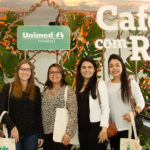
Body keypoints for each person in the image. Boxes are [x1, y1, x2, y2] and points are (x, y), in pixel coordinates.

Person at [0, 59, 44, 150]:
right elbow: (1, 110)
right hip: (13, 133)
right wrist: (12, 127)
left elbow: (38, 114)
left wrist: (41, 135)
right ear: (17, 71)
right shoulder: (8, 88)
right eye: (22, 69)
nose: (25, 72)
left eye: (28, 69)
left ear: (31, 73)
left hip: (32, 135)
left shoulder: (36, 90)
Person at [106, 54, 145, 150]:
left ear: (122, 66)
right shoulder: (106, 85)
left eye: (117, 65)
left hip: (128, 128)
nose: (114, 68)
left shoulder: (130, 83)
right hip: (113, 129)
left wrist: (134, 113)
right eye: (111, 66)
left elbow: (141, 102)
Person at [76, 57, 110, 150]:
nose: (87, 70)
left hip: (95, 128)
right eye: (84, 67)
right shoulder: (78, 86)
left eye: (90, 67)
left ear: (94, 69)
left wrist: (104, 129)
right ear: (80, 70)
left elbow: (105, 108)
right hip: (81, 128)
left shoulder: (100, 84)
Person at [41, 63, 77, 150]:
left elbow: (73, 113)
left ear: (62, 74)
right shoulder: (45, 91)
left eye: (57, 72)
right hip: (46, 135)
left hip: (61, 135)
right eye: (51, 72)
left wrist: (68, 134)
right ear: (48, 75)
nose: (54, 74)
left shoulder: (68, 90)